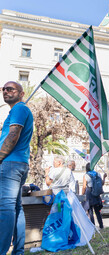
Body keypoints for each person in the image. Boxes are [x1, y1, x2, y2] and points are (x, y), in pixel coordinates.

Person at [0, 81, 33, 255]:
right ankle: (18, 251)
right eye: (3, 89)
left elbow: (13, 135)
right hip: (19, 163)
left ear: (21, 93)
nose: (6, 91)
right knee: (16, 207)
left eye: (10, 89)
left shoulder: (20, 108)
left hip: (11, 163)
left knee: (5, 207)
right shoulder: (16, 110)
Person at [82, 163, 107, 229]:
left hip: (89, 194)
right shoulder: (97, 174)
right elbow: (102, 183)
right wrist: (104, 177)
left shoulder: (86, 175)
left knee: (90, 212)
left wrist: (82, 195)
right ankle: (101, 226)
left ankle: (93, 227)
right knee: (97, 211)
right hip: (96, 194)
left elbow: (84, 186)